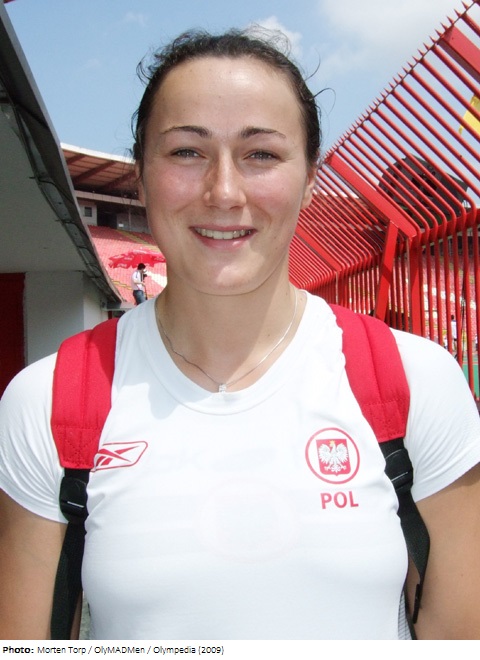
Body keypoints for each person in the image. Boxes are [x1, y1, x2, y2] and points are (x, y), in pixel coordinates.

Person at [1, 28, 480, 641]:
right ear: (141, 177)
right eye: (186, 152)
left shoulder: (414, 381)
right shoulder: (48, 402)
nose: (224, 192)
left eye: (261, 155)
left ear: (310, 178)